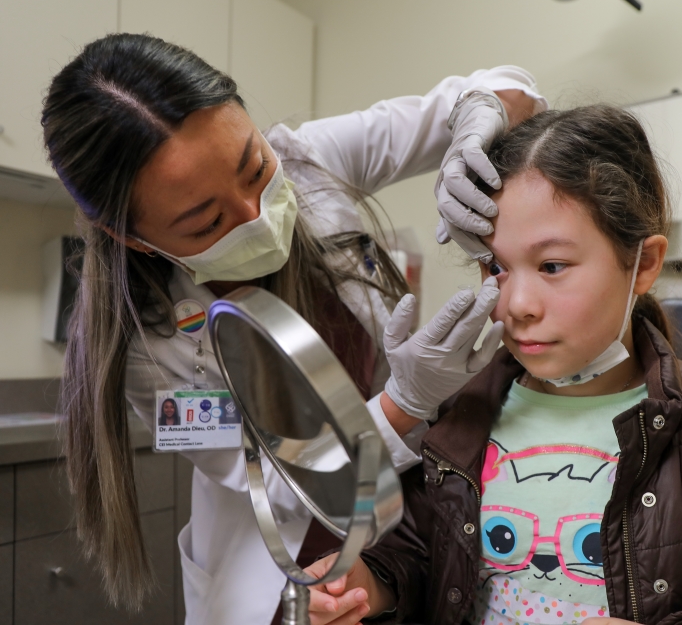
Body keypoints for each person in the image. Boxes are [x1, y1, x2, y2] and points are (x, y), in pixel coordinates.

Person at [42, 33, 545, 625]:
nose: (255, 215)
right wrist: (406, 403)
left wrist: (475, 124)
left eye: (254, 167)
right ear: (134, 238)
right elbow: (287, 482)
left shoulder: (309, 160)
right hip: (278, 562)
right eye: (207, 221)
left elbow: (505, 90)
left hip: (406, 531)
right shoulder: (145, 348)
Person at [304, 106, 682, 625]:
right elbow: (422, 555)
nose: (516, 304)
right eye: (496, 267)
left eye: (552, 265)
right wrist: (370, 585)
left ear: (643, 263)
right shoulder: (462, 413)